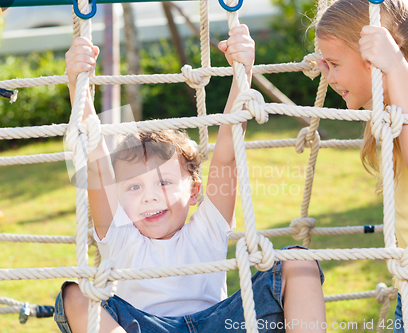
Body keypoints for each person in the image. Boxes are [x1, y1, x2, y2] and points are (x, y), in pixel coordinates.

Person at [54, 25, 326, 333]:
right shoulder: (120, 238)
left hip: (220, 325)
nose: (149, 196)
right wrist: (78, 88)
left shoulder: (207, 229)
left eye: (164, 182)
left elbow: (227, 154)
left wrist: (242, 74)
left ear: (195, 190)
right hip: (143, 327)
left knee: (299, 262)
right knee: (74, 295)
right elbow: (95, 164)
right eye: (133, 187)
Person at [315, 0, 408, 331]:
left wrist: (394, 66)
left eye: (336, 64)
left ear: (374, 60)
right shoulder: (390, 106)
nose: (333, 76)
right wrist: (334, 69)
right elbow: (370, 90)